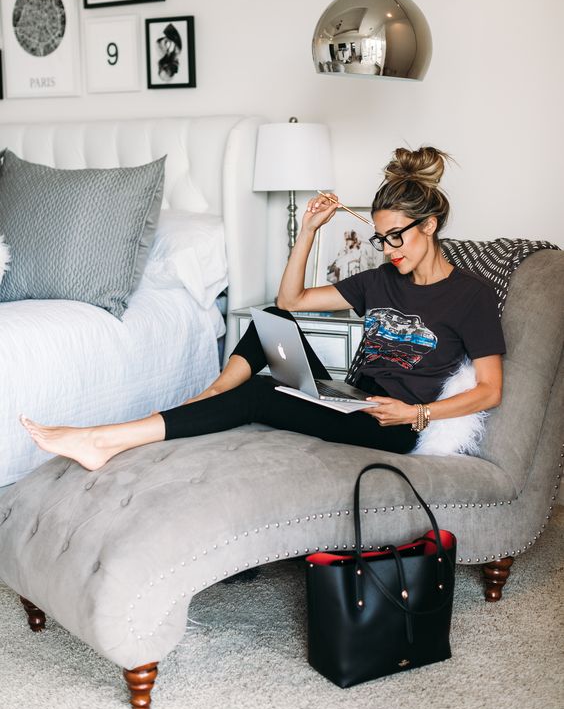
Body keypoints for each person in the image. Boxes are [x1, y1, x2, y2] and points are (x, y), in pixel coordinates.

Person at [21, 146, 505, 471]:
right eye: (381, 238)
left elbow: (488, 390)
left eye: (396, 236)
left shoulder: (471, 296)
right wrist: (310, 230)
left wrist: (417, 414)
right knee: (273, 322)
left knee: (258, 392)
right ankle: (211, 395)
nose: (388, 248)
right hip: (349, 397)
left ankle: (104, 440)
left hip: (388, 425)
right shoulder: (380, 279)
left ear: (430, 225)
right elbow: (290, 302)